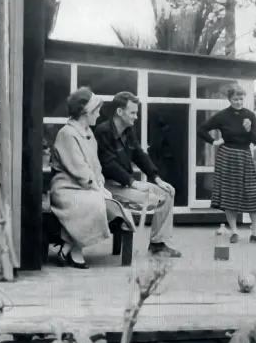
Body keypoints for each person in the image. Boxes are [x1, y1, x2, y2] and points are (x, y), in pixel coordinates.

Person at [50, 87, 134, 269]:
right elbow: (78, 168)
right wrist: (96, 188)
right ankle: (74, 249)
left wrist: (100, 184)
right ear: (84, 112)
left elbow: (96, 167)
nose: (99, 114)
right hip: (66, 188)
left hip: (84, 187)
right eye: (96, 111)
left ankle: (68, 247)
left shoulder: (88, 134)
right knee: (97, 203)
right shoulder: (67, 133)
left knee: (108, 203)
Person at [94, 91, 181, 259]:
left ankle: (158, 244)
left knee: (167, 193)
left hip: (124, 184)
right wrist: (134, 182)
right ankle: (155, 245)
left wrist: (157, 179)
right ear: (120, 112)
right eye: (133, 112)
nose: (136, 117)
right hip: (107, 185)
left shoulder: (128, 130)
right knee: (157, 199)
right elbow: (108, 164)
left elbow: (140, 155)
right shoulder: (103, 131)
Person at [197, 83, 256, 244]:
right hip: (227, 157)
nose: (239, 102)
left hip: (245, 155)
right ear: (229, 99)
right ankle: (234, 231)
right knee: (230, 196)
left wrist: (249, 130)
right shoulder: (222, 116)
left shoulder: (250, 115)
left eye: (241, 98)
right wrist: (214, 142)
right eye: (235, 99)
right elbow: (201, 129)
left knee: (253, 194)